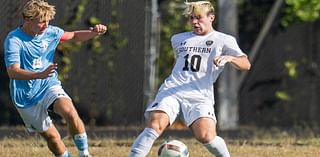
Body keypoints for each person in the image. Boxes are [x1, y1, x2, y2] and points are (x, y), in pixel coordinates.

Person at [129, 1, 251, 157]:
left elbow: (246, 64)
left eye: (199, 18)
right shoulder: (178, 39)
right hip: (173, 90)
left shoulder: (224, 40)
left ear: (211, 17)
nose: (194, 22)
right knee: (155, 124)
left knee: (206, 136)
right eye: (191, 18)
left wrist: (229, 58)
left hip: (200, 94)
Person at [3, 0, 107, 157]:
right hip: (26, 97)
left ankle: (84, 153)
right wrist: (39, 74)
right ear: (28, 19)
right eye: (41, 22)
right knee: (53, 138)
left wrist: (93, 32)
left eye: (48, 21)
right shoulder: (14, 40)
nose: (46, 25)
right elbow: (13, 71)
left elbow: (73, 36)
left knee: (70, 113)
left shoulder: (50, 32)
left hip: (48, 85)